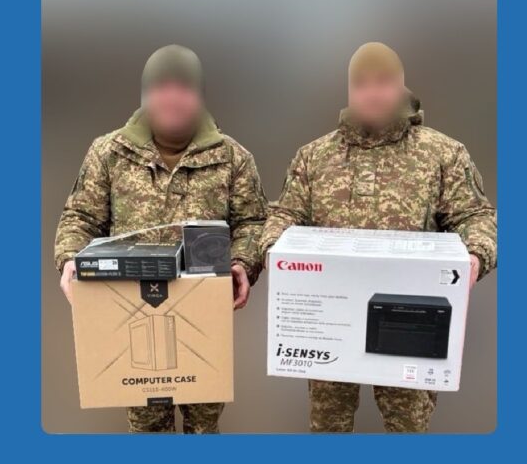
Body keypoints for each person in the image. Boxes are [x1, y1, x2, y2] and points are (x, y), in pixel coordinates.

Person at [259, 42, 497, 433]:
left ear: (402, 85)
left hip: (410, 316)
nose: (372, 93)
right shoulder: (313, 157)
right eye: (361, 84)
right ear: (349, 90)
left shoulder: (443, 154)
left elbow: (475, 216)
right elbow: (285, 214)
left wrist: (475, 256)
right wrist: (274, 250)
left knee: (407, 430)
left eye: (383, 82)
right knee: (328, 429)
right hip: (329, 316)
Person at [54, 44, 267, 433]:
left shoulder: (233, 158)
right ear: (145, 94)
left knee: (204, 422)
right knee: (147, 424)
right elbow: (81, 217)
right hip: (132, 308)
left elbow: (253, 222)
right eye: (161, 87)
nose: (172, 98)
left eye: (184, 87)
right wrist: (70, 258)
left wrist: (242, 264)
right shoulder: (109, 153)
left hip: (203, 312)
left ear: (200, 95)